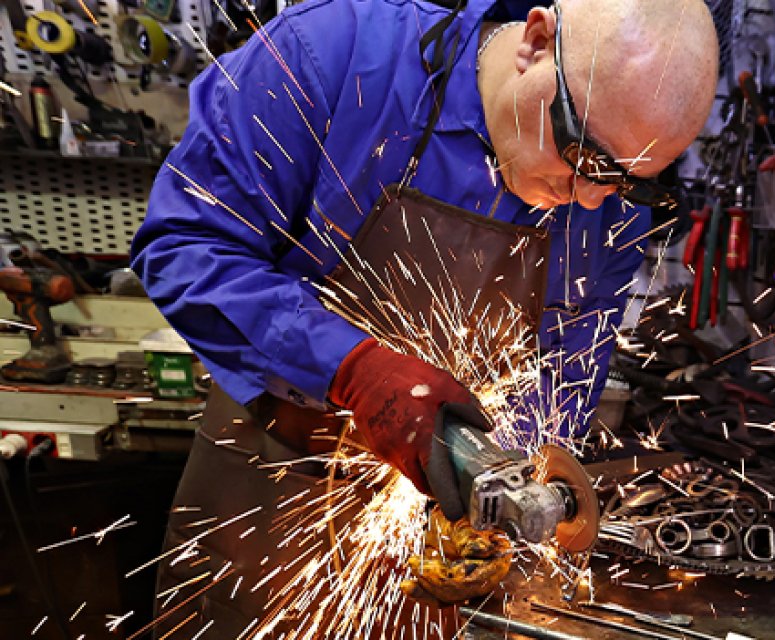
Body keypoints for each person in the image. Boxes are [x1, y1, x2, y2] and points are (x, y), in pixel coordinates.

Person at [130, 0, 718, 637]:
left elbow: (561, 382)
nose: (591, 196)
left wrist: (502, 489)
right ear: (536, 42)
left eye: (627, 181)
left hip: (424, 541)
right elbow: (184, 246)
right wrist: (351, 369)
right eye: (583, 153)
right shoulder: (330, 57)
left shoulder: (611, 207)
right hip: (264, 494)